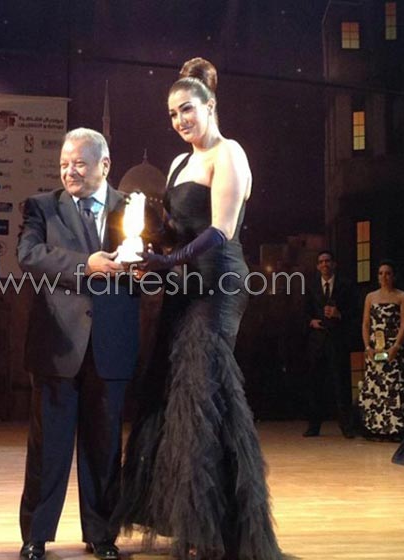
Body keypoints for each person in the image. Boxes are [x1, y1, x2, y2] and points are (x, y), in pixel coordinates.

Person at [113, 58, 284, 559]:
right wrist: (144, 244)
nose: (179, 120)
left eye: (187, 109)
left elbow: (221, 231)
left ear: (209, 105)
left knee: (205, 394)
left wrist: (166, 260)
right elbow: (175, 230)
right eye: (172, 113)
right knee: (176, 394)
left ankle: (219, 529)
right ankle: (188, 521)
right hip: (182, 284)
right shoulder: (176, 164)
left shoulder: (229, 153)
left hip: (217, 284)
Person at [17, 128, 152, 560]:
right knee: (48, 448)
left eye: (79, 163)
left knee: (104, 446)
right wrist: (85, 265)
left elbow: (153, 268)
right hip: (57, 344)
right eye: (64, 164)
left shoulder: (133, 207)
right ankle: (36, 536)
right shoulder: (42, 207)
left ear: (104, 165)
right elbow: (29, 255)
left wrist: (145, 271)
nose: (69, 172)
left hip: (111, 343)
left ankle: (101, 535)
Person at [302, 250, 355, 438]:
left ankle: (346, 426)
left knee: (341, 384)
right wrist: (311, 322)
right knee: (315, 384)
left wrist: (339, 314)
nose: (324, 264)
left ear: (334, 264)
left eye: (327, 261)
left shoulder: (346, 285)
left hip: (338, 340)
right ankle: (314, 426)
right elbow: (304, 311)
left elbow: (355, 311)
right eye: (321, 262)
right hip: (317, 342)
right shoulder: (311, 286)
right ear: (318, 266)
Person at [359, 260, 404, 441]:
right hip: (375, 348)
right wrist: (367, 346)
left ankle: (396, 429)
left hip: (394, 346)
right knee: (375, 387)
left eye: (388, 273)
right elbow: (366, 324)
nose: (384, 277)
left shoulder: (402, 296)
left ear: (394, 276)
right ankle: (376, 428)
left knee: (394, 386)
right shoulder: (370, 297)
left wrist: (396, 346)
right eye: (381, 273)